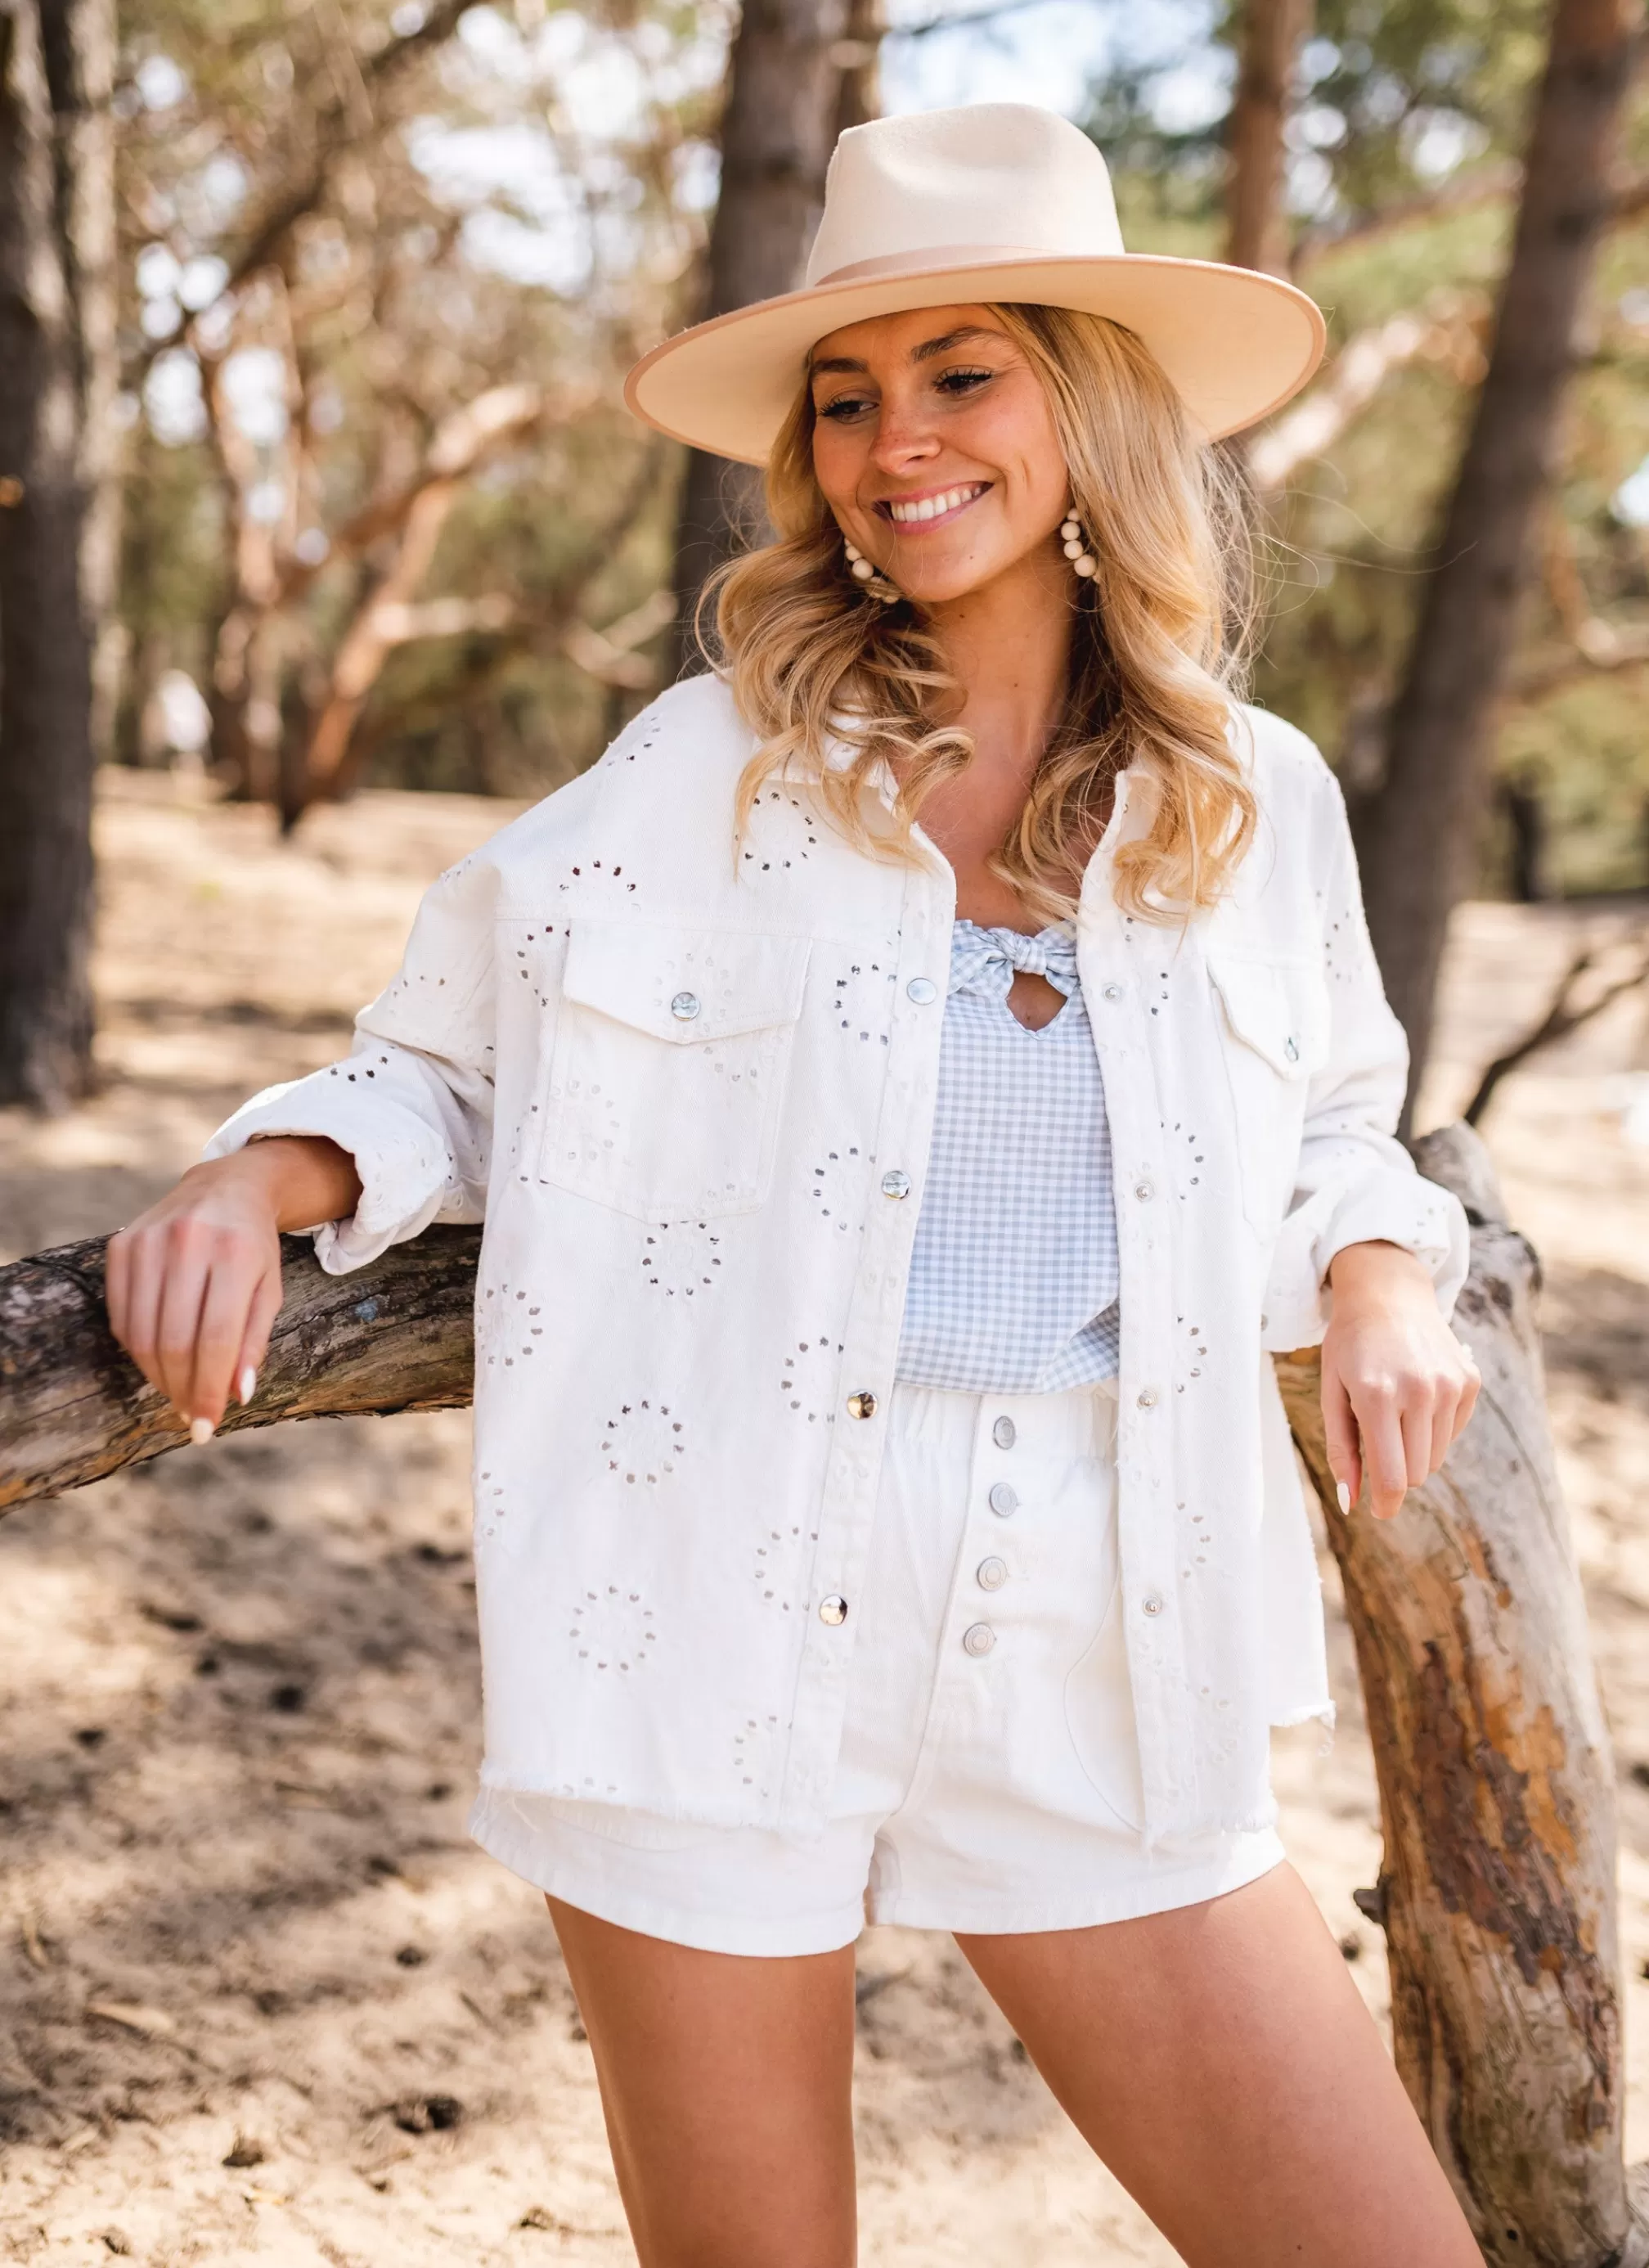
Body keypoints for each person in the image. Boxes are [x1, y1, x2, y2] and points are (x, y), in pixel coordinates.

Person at [105, 103, 1485, 2268]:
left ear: (1092, 412)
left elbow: (1335, 1129)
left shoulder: (1254, 801)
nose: (890, 442)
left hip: (1109, 1618)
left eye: (962, 374)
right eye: (845, 396)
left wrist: (1387, 1274)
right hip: (711, 1598)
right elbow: (445, 1064)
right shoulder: (702, 771)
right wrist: (246, 1181)